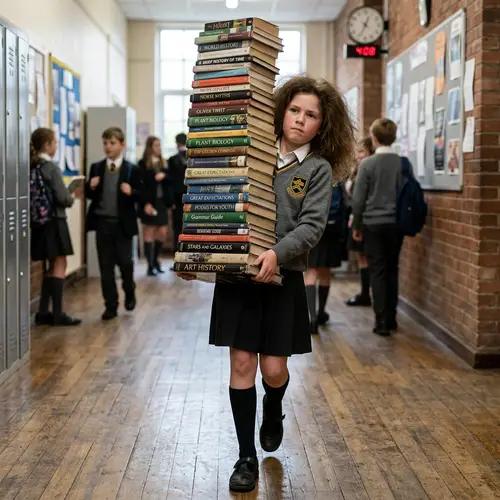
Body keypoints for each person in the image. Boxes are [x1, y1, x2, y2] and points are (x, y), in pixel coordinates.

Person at [178, 76, 355, 493]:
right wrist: (196, 254)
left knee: (273, 371)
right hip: (238, 279)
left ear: (321, 125)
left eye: (311, 115)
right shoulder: (250, 150)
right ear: (281, 110)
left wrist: (276, 253)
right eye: (295, 110)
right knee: (242, 366)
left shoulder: (317, 169)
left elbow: (312, 227)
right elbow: (214, 198)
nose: (300, 120)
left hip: (282, 279)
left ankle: (272, 406)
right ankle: (246, 457)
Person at [351, 118, 409, 336]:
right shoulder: (403, 163)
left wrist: (356, 225)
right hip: (396, 224)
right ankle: (392, 317)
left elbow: (358, 200)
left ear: (373, 139)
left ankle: (381, 321)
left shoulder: (367, 164)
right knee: (393, 268)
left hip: (372, 224)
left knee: (378, 271)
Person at [85, 126, 143, 320]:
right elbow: (90, 194)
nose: (108, 147)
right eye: (105, 143)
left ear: (122, 144)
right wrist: (89, 187)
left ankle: (130, 290)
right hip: (103, 224)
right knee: (106, 267)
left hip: (122, 225)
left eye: (112, 143)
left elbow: (142, 195)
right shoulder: (96, 167)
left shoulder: (131, 169)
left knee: (126, 263)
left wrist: (131, 192)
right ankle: (110, 305)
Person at [30, 127, 82, 326]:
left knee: (49, 266)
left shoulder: (33, 165)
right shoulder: (51, 167)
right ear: (47, 145)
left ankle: (43, 312)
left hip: (39, 222)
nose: (56, 146)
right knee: (60, 264)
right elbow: (63, 198)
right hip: (55, 221)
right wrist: (73, 196)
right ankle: (59, 314)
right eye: (55, 143)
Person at [304, 180, 347, 333]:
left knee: (311, 271)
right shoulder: (337, 179)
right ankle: (321, 313)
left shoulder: (311, 174)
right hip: (331, 231)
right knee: (325, 271)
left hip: (313, 228)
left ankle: (312, 318)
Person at [345, 136, 375, 307]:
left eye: (362, 151)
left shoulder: (368, 169)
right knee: (360, 256)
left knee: (365, 256)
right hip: (353, 217)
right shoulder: (357, 169)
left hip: (362, 219)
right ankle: (364, 292)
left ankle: (366, 294)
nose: (359, 155)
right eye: (358, 151)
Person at [138, 136, 174, 276]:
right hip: (148, 202)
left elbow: (171, 180)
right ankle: (150, 265)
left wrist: (164, 177)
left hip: (161, 202)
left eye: (160, 145)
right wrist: (145, 203)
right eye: (156, 145)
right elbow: (142, 186)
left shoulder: (164, 163)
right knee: (149, 233)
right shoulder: (142, 164)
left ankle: (155, 260)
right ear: (149, 147)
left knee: (162, 232)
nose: (159, 148)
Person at [167, 133, 188, 252]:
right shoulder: (173, 159)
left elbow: (170, 181)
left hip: (181, 198)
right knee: (180, 227)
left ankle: (180, 254)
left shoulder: (173, 159)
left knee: (179, 228)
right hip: (184, 198)